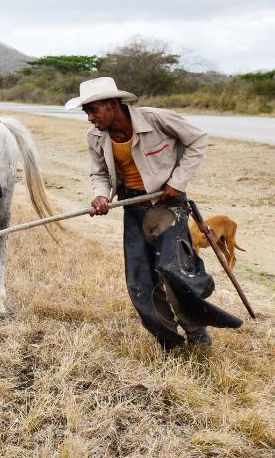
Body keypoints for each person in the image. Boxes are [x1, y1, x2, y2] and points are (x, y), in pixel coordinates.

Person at [69, 76, 232, 350]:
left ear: (111, 104)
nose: (90, 118)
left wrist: (176, 182)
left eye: (92, 110)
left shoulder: (155, 120)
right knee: (140, 278)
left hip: (167, 204)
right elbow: (99, 173)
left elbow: (198, 140)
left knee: (173, 270)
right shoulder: (95, 137)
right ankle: (168, 338)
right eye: (86, 112)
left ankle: (197, 331)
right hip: (133, 206)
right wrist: (100, 195)